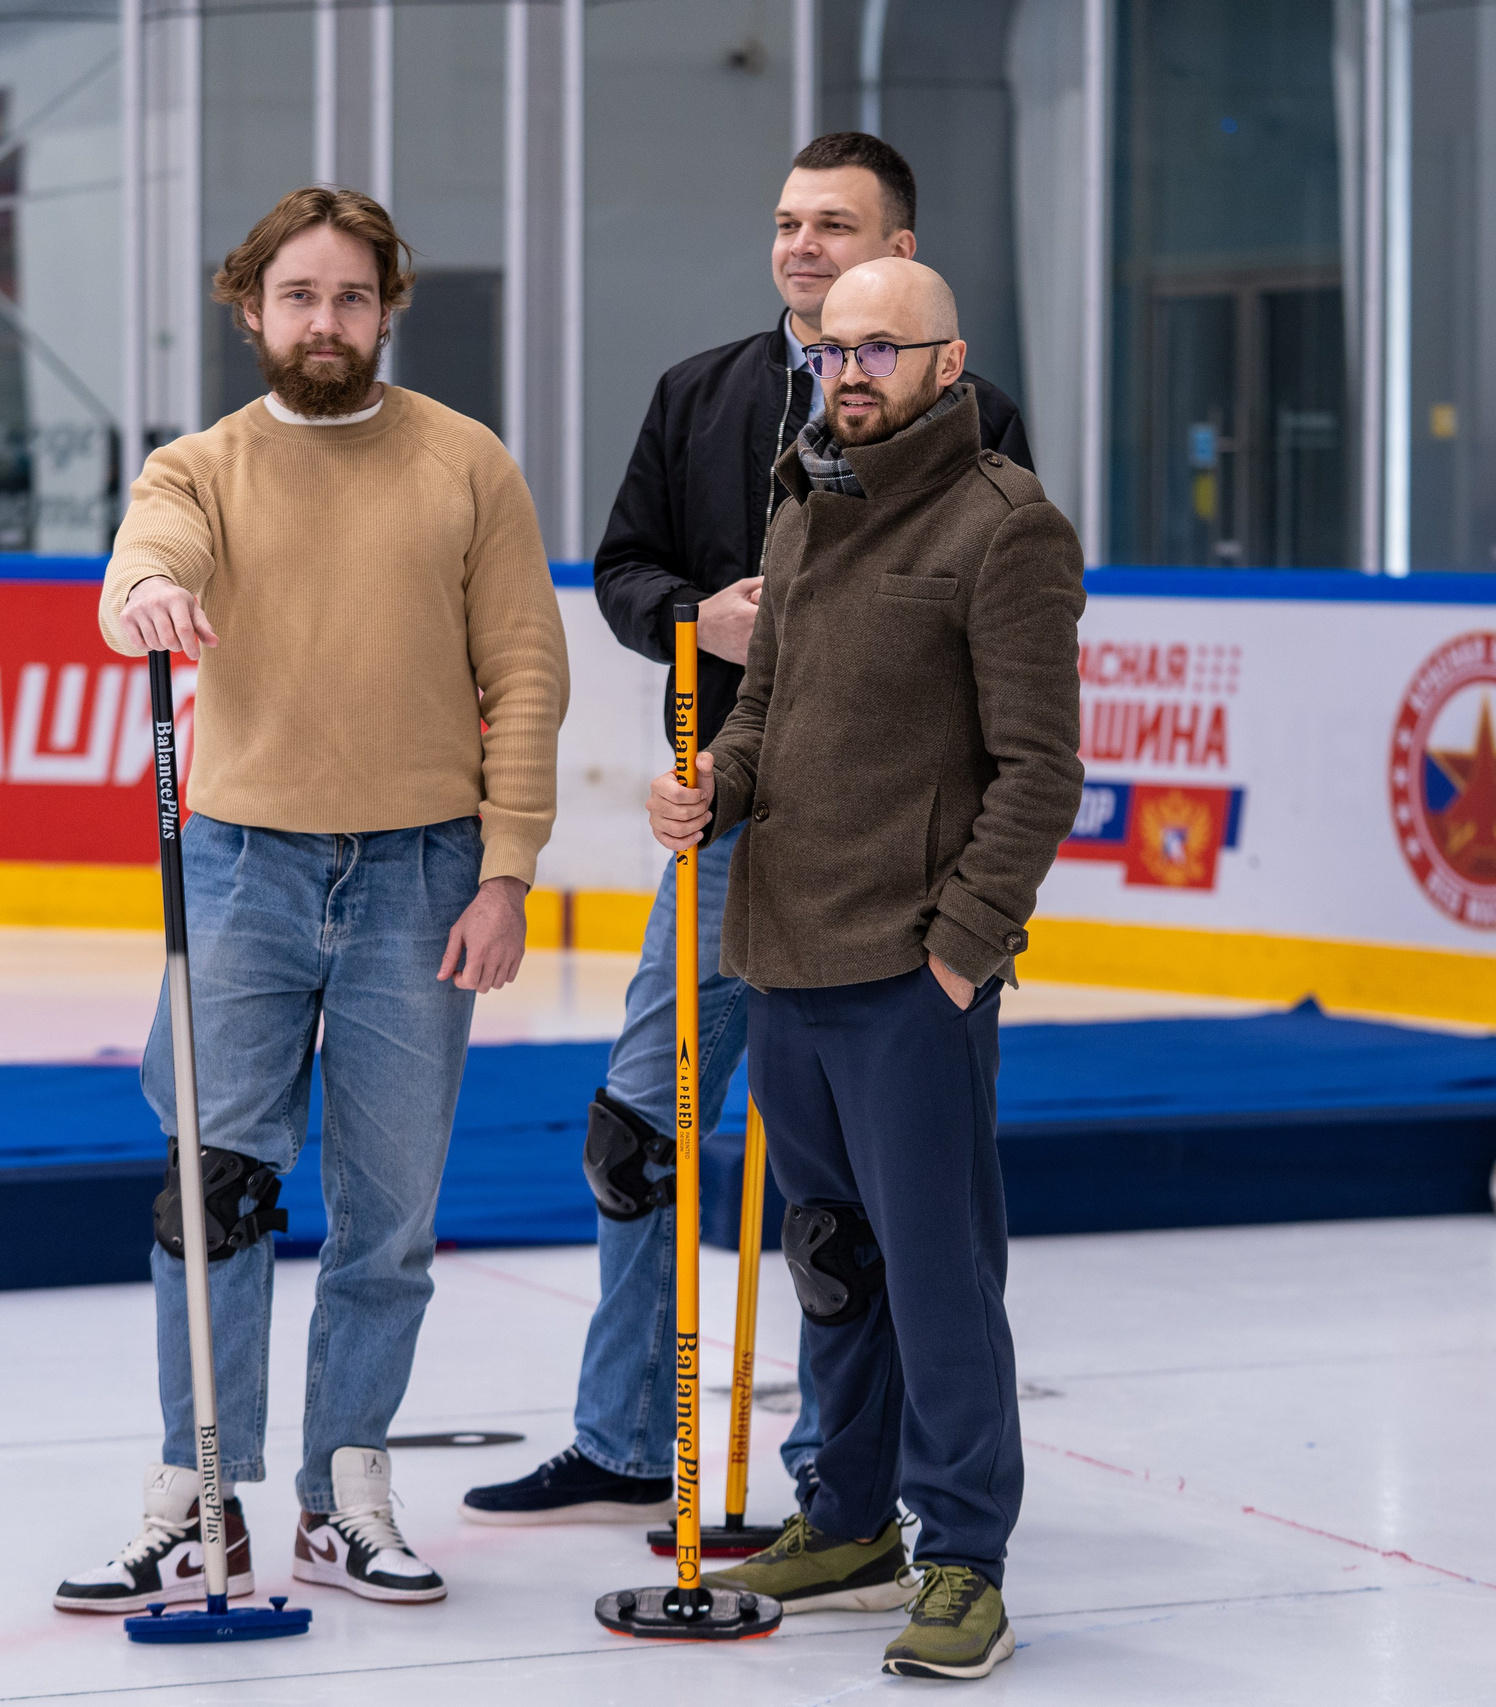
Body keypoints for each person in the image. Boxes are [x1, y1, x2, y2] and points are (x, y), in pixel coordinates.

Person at [463, 132, 1032, 1530]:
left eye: (835, 224)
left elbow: (990, 675)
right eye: (787, 221)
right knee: (637, 1132)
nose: (801, 246)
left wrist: (965, 924)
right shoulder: (700, 394)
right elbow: (619, 568)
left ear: (904, 255)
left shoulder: (973, 419)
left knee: (857, 1204)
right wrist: (692, 621)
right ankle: (624, 1431)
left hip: (884, 862)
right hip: (724, 827)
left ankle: (844, 1484)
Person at [53, 186, 569, 1613]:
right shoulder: (199, 466)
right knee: (207, 1197)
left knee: (386, 1214)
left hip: (422, 876)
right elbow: (138, 567)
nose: (325, 323)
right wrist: (149, 597)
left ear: (389, 308)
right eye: (299, 297)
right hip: (240, 870)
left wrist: (508, 867)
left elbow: (526, 673)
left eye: (352, 297)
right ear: (251, 310)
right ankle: (197, 1491)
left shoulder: (467, 466)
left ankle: (345, 1489)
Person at [662, 257, 1084, 1682]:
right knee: (833, 1265)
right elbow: (767, 709)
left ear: (947, 367)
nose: (852, 371)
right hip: (780, 956)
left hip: (912, 980)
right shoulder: (801, 505)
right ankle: (849, 1517)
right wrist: (710, 787)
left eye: (884, 350)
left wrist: (964, 952)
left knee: (941, 1275)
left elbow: (1040, 773)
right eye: (837, 348)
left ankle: (966, 1557)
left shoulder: (1004, 529)